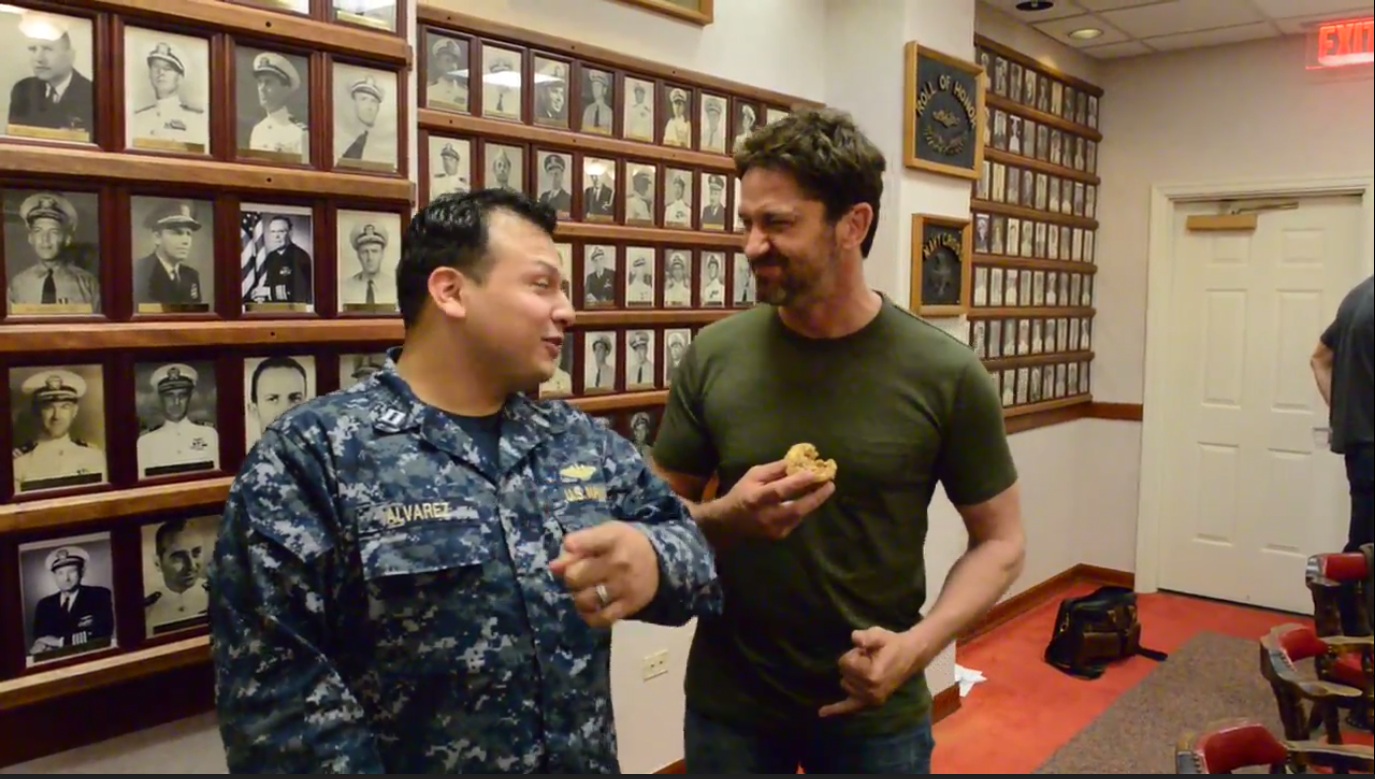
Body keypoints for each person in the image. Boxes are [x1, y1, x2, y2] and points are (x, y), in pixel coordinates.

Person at [208, 188, 720, 774]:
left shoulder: (577, 441)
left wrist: (653, 557)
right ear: (450, 291)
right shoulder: (315, 455)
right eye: (542, 285)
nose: (567, 311)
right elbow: (275, 705)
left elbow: (697, 564)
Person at [651, 108, 1027, 774]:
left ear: (853, 224)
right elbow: (653, 515)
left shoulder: (944, 372)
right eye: (747, 222)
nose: (752, 246)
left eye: (778, 223)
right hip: (731, 707)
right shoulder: (713, 354)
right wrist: (726, 517)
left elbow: (1001, 541)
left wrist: (919, 645)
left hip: (876, 713)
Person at [1311, 274, 1373, 553]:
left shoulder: (1357, 297)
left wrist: (1343, 413)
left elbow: (1320, 359)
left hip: (1360, 447)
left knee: (1363, 546)